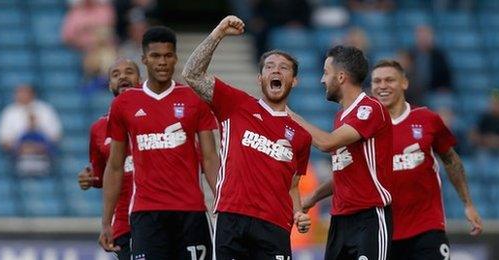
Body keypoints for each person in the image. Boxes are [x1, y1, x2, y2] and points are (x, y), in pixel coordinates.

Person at [182, 15, 312, 259]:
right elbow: (192, 74)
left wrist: (297, 213)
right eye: (269, 66)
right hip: (232, 217)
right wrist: (218, 33)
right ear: (259, 78)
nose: (276, 70)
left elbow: (293, 184)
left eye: (283, 68)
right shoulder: (236, 103)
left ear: (294, 81)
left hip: (275, 225)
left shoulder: (302, 136)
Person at [99, 27, 220, 260]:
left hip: (191, 212)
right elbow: (114, 166)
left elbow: (210, 158)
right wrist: (107, 222)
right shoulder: (124, 104)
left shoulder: (194, 99)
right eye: (155, 56)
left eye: (167, 55)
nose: (162, 62)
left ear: (175, 58)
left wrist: (222, 202)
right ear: (144, 59)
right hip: (146, 214)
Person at [370, 60, 483, 260]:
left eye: (389, 80)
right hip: (383, 231)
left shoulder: (427, 119)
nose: (383, 86)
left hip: (427, 227)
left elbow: (451, 160)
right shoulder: (365, 128)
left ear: (404, 82)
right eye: (377, 81)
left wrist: (468, 204)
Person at [294, 45, 394, 260]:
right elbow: (344, 174)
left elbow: (326, 143)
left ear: (340, 77)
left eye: (325, 73)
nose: (322, 80)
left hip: (369, 218)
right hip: (340, 220)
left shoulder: (370, 109)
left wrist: (287, 114)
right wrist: (312, 198)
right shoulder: (341, 117)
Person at [77, 58, 140, 259]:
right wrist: (91, 179)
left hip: (163, 215)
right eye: (115, 74)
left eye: (129, 72)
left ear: (140, 78)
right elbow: (103, 174)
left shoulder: (159, 116)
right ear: (110, 84)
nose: (123, 76)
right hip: (124, 223)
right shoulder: (98, 129)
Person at [0, 84, 62, 153]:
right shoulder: (9, 112)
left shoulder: (45, 110)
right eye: (19, 93)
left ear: (32, 94)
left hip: (44, 155)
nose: (21, 95)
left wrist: (38, 147)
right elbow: (3, 138)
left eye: (24, 93)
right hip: (17, 156)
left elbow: (56, 134)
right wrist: (21, 147)